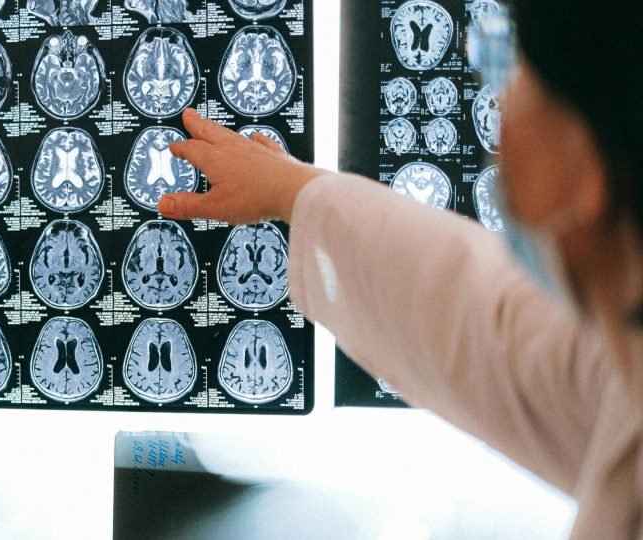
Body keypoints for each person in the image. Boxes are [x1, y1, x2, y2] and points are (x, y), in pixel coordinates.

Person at [158, 1, 643, 537]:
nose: (501, 105)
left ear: (591, 165)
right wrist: (290, 189)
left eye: (514, 71)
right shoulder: (624, 382)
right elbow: (481, 320)